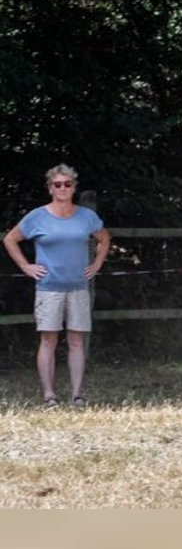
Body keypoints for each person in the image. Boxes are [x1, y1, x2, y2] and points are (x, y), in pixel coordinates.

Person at [3, 164, 110, 408]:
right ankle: (49, 395)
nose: (62, 188)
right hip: (48, 287)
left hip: (78, 287)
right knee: (48, 340)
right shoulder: (37, 216)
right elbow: (10, 239)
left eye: (67, 184)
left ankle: (78, 395)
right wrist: (25, 266)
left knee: (75, 341)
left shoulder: (86, 216)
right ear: (50, 188)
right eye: (57, 184)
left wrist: (96, 263)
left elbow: (104, 238)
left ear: (74, 187)